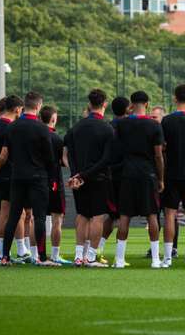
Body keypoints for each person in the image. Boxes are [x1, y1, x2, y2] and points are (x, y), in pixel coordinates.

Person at [0, 91, 53, 266]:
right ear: (38, 106)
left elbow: (7, 153)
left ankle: (5, 256)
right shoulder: (42, 128)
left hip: (17, 176)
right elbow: (49, 158)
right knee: (39, 217)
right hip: (38, 176)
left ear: (24, 106)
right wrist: (52, 179)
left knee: (13, 216)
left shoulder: (11, 127)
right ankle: (42, 258)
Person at [112, 91, 165, 268]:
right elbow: (158, 156)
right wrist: (161, 179)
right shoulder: (154, 125)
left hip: (127, 174)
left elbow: (116, 150)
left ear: (131, 105)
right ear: (147, 104)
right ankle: (156, 260)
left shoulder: (121, 124)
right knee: (152, 216)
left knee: (124, 216)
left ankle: (119, 260)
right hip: (147, 174)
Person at [66, 89, 114, 268]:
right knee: (96, 217)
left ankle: (79, 256)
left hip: (79, 178)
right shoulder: (107, 128)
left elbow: (69, 153)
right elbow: (106, 159)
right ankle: (91, 257)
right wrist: (84, 175)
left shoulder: (76, 127)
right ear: (104, 104)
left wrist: (76, 174)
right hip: (98, 178)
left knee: (82, 216)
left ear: (89, 104)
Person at [0, 95, 25, 261]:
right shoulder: (10, 127)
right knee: (13, 214)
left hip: (0, 175)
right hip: (8, 174)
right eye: (21, 110)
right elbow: (4, 154)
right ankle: (17, 251)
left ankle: (3, 251)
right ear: (17, 109)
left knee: (1, 213)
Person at [160, 85, 185, 266]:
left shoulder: (166, 121)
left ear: (175, 99)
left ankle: (167, 258)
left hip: (172, 173)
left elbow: (162, 147)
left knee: (169, 215)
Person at [99, 96, 130, 265]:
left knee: (112, 216)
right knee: (125, 216)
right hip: (125, 175)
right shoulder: (130, 127)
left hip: (109, 174)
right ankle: (119, 257)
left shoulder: (108, 126)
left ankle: (99, 250)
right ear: (127, 109)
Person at [41, 105, 72, 265]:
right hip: (53, 181)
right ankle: (55, 254)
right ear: (53, 119)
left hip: (37, 180)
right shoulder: (57, 139)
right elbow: (64, 162)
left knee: (36, 218)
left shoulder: (36, 136)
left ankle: (35, 254)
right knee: (57, 219)